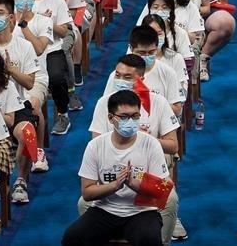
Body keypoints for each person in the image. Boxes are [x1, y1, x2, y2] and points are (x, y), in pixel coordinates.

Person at [61, 90, 168, 246]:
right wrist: (114, 186)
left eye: (135, 116)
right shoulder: (95, 146)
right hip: (105, 210)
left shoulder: (151, 144)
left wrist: (134, 184)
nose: (130, 121)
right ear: (111, 118)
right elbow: (87, 193)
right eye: (124, 117)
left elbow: (161, 190)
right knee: (72, 237)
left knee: (149, 240)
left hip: (142, 212)